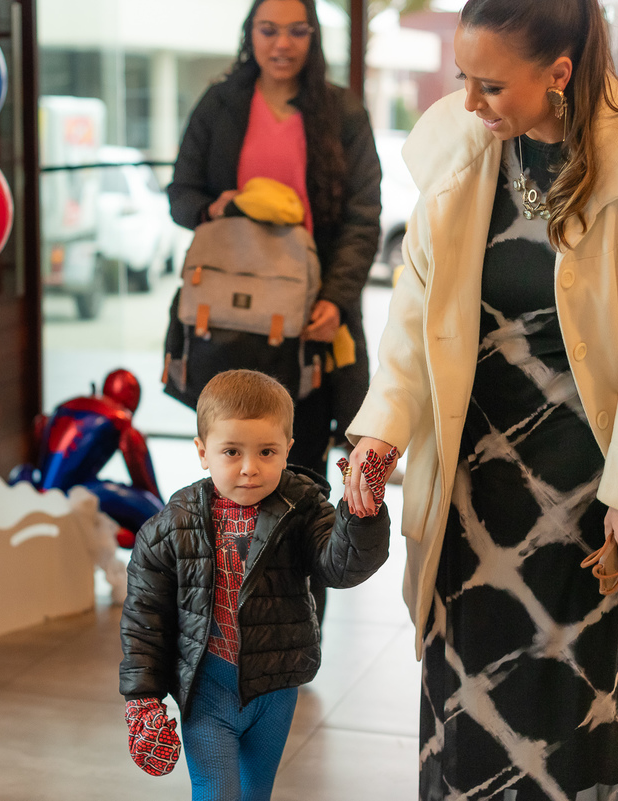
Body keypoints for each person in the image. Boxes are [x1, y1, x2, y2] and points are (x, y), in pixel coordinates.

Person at [340, 0, 618, 798]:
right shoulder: (464, 149)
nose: (469, 102)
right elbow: (417, 310)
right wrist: (383, 429)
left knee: (565, 699)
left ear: (560, 73)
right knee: (459, 685)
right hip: (469, 473)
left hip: (585, 484)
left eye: (490, 85)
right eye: (464, 79)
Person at [169, 0, 381, 623]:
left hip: (308, 321)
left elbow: (362, 220)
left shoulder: (341, 111)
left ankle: (292, 627)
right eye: (268, 29)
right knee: (224, 475)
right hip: (228, 322)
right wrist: (222, 205)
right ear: (250, 35)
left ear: (313, 38)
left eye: (296, 30)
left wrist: (335, 301)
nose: (281, 43)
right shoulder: (221, 103)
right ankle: (216, 624)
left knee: (299, 475)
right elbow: (182, 195)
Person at [119, 369, 392, 800]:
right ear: (202, 452)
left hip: (277, 685)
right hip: (207, 686)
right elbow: (144, 618)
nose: (250, 468)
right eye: (231, 452)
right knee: (216, 790)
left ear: (288, 449)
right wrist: (143, 700)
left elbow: (341, 568)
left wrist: (360, 515)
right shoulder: (169, 528)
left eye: (267, 451)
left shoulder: (303, 509)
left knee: (255, 791)